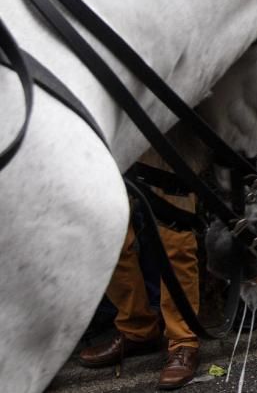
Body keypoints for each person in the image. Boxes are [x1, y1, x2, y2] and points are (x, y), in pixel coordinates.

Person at [78, 154, 201, 389]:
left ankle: (183, 340)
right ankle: (137, 329)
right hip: (113, 139)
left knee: (175, 241)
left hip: (165, 138)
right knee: (110, 235)